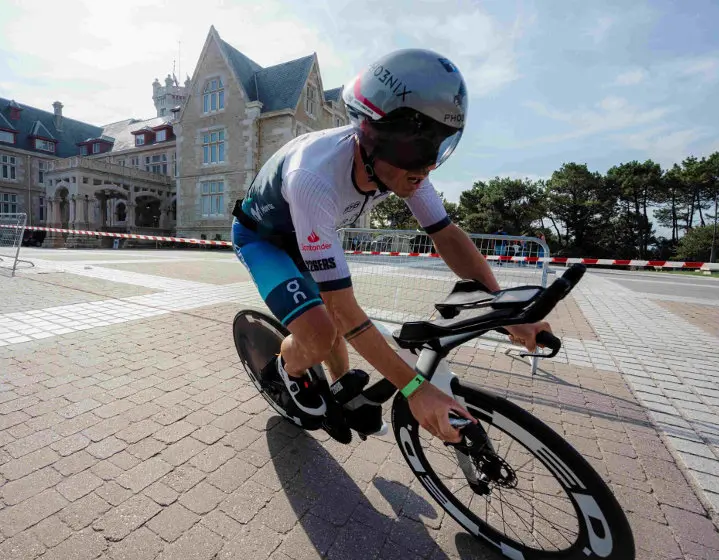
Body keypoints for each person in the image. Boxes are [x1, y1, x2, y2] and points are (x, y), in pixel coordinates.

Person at [230, 48, 552, 444]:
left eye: (436, 148)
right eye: (416, 151)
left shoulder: (403, 167)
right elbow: (343, 310)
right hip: (262, 238)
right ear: (370, 136)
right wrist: (415, 389)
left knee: (333, 325)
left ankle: (341, 388)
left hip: (303, 234)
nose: (425, 169)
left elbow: (447, 235)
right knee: (320, 331)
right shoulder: (314, 177)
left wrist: (504, 309)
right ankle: (287, 371)